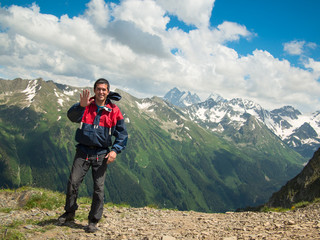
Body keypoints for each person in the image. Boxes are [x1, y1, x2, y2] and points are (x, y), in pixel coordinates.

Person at [58, 78, 128, 233]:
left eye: (104, 89)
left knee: (98, 189)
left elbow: (123, 135)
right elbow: (71, 117)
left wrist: (115, 150)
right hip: (82, 152)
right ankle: (69, 213)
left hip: (101, 154)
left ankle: (93, 221)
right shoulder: (86, 106)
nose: (101, 92)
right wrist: (80, 106)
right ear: (94, 90)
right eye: (98, 89)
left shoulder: (114, 111)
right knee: (73, 183)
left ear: (108, 92)